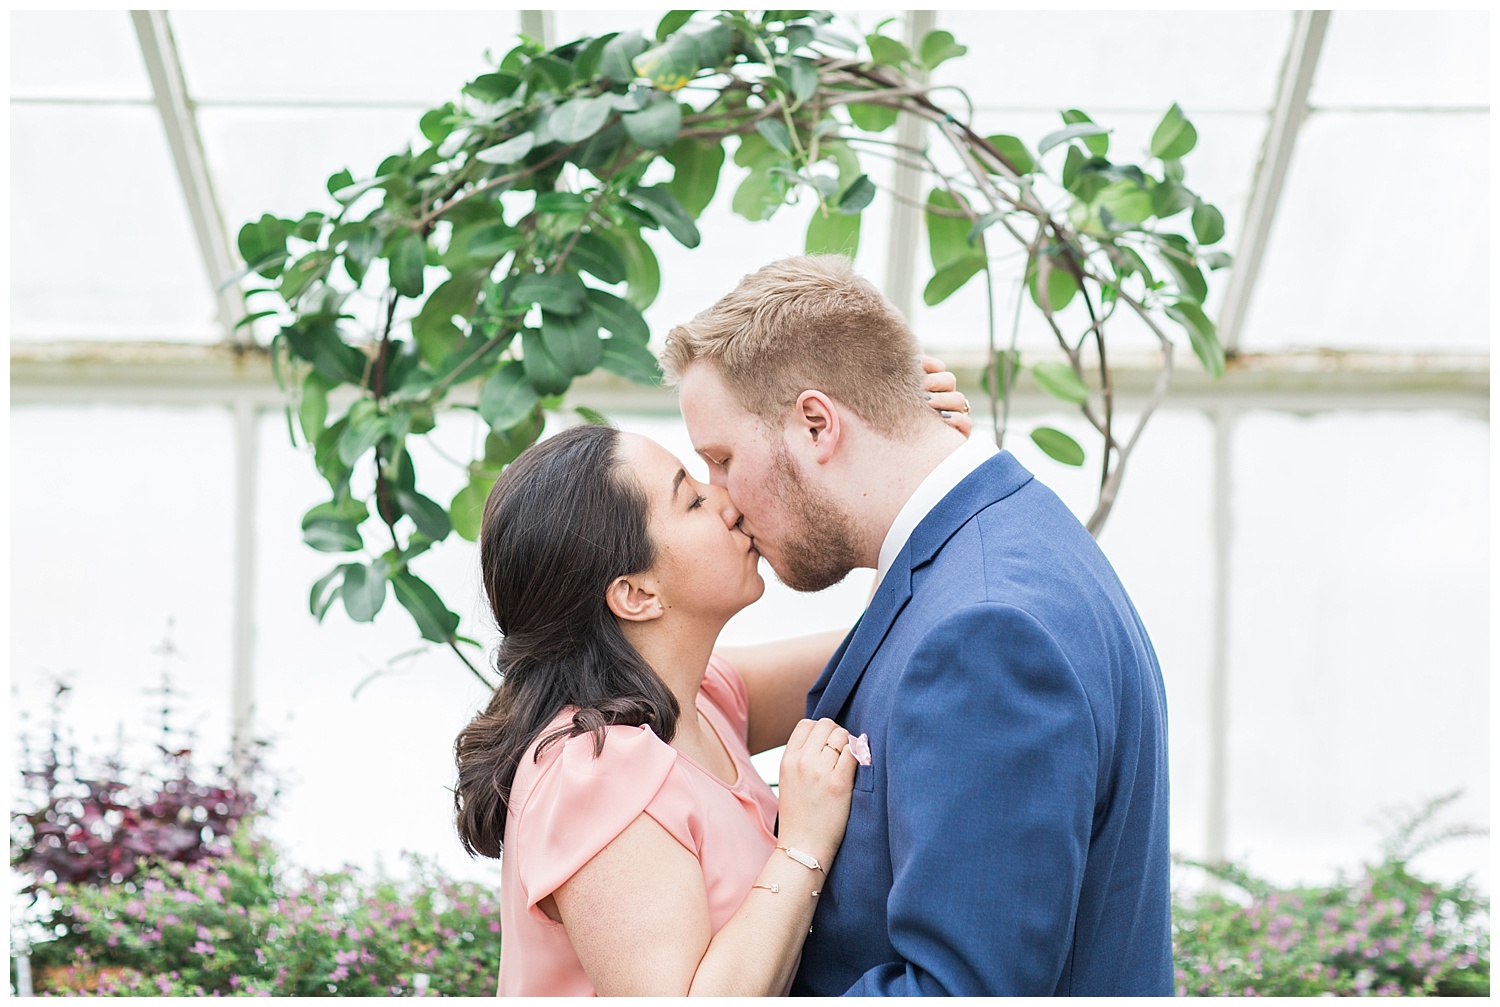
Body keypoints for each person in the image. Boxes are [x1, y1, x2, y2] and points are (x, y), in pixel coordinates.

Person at [663, 254, 1174, 996]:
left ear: (816, 422)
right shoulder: (994, 543)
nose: (724, 501)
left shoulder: (986, 633)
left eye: (721, 458)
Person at [453, 365, 968, 996]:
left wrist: (914, 471)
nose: (727, 501)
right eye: (692, 499)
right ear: (636, 593)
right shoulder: (595, 768)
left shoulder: (701, 700)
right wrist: (803, 842)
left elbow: (885, 637)